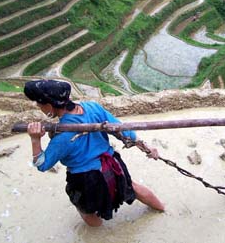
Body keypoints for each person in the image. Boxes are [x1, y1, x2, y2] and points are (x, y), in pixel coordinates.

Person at [24, 79, 164, 226]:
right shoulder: (93, 107)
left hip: (87, 178)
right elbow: (122, 130)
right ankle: (162, 209)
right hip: (114, 166)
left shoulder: (63, 137)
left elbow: (42, 164)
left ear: (49, 106)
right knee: (133, 188)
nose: (39, 107)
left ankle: (99, 234)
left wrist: (35, 140)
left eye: (39, 104)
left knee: (86, 211)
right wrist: (147, 148)